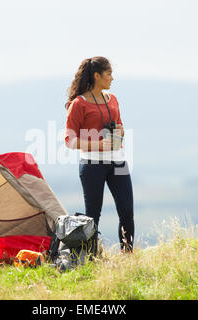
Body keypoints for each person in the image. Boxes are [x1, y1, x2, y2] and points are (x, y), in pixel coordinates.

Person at [64, 56, 134, 252]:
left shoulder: (113, 100)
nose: (112, 78)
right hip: (92, 164)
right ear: (97, 75)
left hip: (118, 162)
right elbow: (69, 140)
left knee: (127, 210)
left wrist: (120, 133)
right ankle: (92, 257)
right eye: (109, 74)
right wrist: (99, 145)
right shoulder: (78, 104)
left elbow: (120, 127)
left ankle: (127, 255)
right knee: (93, 214)